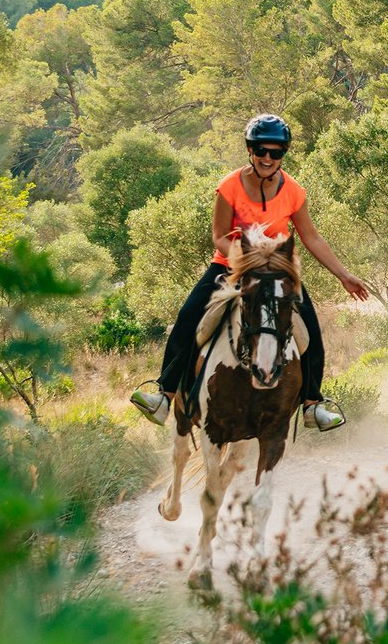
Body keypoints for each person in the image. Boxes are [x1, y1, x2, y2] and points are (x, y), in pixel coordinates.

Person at [130, 114, 369, 432]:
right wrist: (246, 261)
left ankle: (313, 404)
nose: (268, 158)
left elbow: (310, 236)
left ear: (283, 153)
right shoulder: (229, 186)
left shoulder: (294, 191)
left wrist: (343, 274)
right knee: (189, 318)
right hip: (230, 265)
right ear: (250, 150)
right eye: (261, 151)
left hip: (278, 270)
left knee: (309, 332)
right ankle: (164, 393)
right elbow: (218, 235)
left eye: (276, 152)